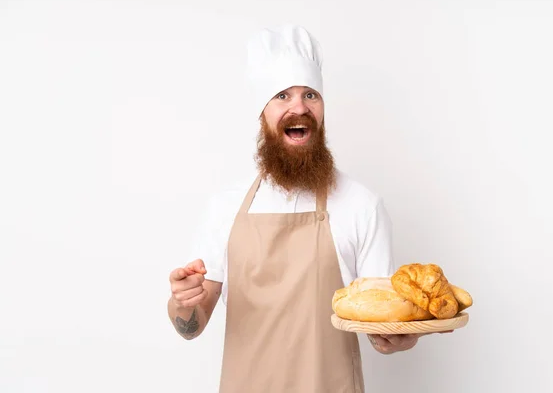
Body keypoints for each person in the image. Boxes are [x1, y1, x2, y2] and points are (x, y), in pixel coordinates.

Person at [167, 24, 424, 392]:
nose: (299, 107)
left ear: (322, 110)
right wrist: (183, 301)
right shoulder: (224, 207)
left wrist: (399, 337)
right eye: (282, 96)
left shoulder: (361, 205)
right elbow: (190, 324)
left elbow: (379, 322)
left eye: (310, 95)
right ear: (263, 114)